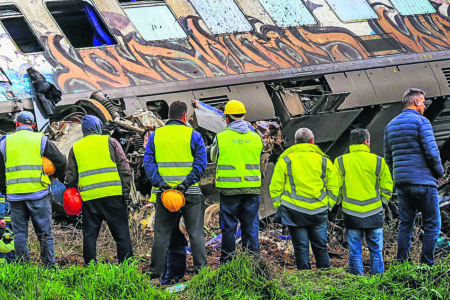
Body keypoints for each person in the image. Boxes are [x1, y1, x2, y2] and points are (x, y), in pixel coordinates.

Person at [145, 100, 208, 282]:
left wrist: (161, 184)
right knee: (195, 232)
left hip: (164, 194)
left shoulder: (156, 136)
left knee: (162, 234)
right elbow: (200, 164)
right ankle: (202, 275)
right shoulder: (194, 135)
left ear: (168, 117)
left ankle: (155, 277)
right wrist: (185, 184)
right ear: (184, 116)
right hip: (190, 193)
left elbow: (148, 163)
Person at [0, 111, 67, 267]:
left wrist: (7, 192)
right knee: (45, 234)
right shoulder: (40, 139)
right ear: (33, 125)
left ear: (17, 124)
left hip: (15, 197)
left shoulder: (6, 142)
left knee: (20, 235)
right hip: (39, 194)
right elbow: (61, 162)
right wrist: (53, 179)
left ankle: (24, 268)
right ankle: (49, 266)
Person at [384, 88, 444, 265]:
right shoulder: (422, 122)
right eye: (423, 102)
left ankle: (402, 263)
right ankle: (426, 265)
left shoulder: (390, 126)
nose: (424, 106)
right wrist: (439, 172)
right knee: (432, 223)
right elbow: (432, 153)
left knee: (406, 224)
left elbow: (388, 158)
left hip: (402, 183)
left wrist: (398, 177)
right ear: (416, 102)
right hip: (424, 181)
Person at [63, 115, 133, 265]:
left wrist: (72, 193)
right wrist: (126, 194)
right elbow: (125, 169)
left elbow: (70, 177)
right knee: (121, 235)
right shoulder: (110, 142)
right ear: (98, 127)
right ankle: (127, 267)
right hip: (113, 196)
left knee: (89, 236)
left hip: (89, 198)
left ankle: (90, 266)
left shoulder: (76, 148)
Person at [270, 127, 341, 270]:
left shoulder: (286, 160)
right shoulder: (324, 160)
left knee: (300, 247)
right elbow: (334, 186)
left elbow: (275, 186)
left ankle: (304, 278)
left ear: (295, 143)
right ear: (312, 141)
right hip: (318, 210)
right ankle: (325, 275)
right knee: (320, 246)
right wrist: (329, 205)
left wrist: (281, 206)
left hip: (294, 210)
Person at [209, 100, 263, 263]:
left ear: (226, 118)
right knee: (251, 228)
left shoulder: (221, 137)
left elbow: (213, 157)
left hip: (229, 190)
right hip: (251, 189)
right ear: (243, 116)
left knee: (228, 228)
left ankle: (228, 264)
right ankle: (252, 264)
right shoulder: (256, 137)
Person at [336, 128, 392, 275]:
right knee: (376, 251)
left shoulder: (341, 161)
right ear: (367, 142)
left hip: (351, 212)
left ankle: (357, 282)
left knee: (354, 250)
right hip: (374, 212)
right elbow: (387, 186)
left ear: (351, 143)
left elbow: (335, 187)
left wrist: (340, 202)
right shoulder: (378, 161)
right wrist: (382, 203)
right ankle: (377, 281)